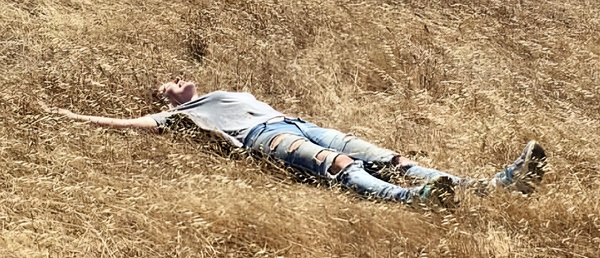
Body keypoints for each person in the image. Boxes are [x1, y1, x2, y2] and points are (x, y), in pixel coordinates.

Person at [42, 78, 547, 207]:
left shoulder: (220, 90)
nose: (177, 81)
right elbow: (124, 124)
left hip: (297, 122)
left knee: (389, 157)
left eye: (177, 79)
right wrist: (67, 114)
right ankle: (416, 201)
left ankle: (495, 185)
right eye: (168, 85)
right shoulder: (178, 116)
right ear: (165, 100)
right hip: (265, 137)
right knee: (338, 165)